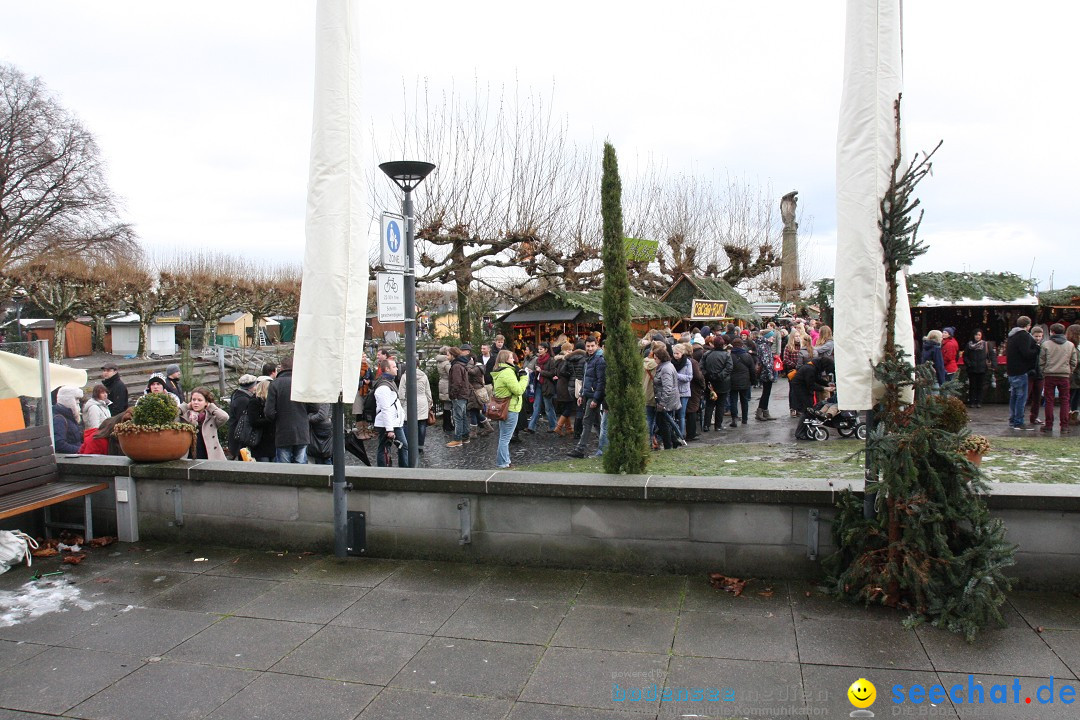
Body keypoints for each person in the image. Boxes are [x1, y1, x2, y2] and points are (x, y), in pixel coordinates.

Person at [265, 355, 318, 462]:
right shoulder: (302, 383)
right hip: (302, 432)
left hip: (283, 432)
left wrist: (279, 417)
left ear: (281, 368)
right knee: (301, 467)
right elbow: (315, 407)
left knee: (285, 469)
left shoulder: (275, 384)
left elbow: (269, 412)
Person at [568, 337, 606, 458]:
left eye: (592, 346)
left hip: (594, 395)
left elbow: (601, 381)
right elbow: (586, 378)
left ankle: (581, 449)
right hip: (589, 394)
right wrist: (581, 394)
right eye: (588, 346)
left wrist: (595, 399)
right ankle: (604, 446)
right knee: (596, 423)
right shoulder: (588, 358)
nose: (590, 348)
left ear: (597, 345)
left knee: (587, 421)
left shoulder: (599, 360)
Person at [491, 350, 529, 469]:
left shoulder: (500, 371)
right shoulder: (507, 372)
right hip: (510, 408)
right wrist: (524, 378)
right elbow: (518, 390)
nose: (514, 360)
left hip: (504, 408)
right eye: (511, 358)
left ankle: (505, 461)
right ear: (506, 359)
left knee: (504, 436)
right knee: (505, 438)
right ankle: (503, 463)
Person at [1039, 323, 1076, 434]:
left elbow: (1041, 360)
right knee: (1065, 400)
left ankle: (1049, 425)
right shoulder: (1070, 345)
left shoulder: (1046, 344)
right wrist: (1070, 371)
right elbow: (1074, 361)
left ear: (1052, 332)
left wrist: (1044, 370)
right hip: (1064, 375)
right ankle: (1064, 426)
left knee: (1049, 400)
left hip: (1049, 375)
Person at [1005, 315, 1041, 430]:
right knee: (1021, 397)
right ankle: (1018, 422)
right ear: (1028, 325)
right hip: (1021, 370)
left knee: (1014, 396)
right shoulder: (1023, 336)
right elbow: (1026, 353)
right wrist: (1036, 348)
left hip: (1011, 370)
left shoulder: (1012, 335)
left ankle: (1012, 420)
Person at [373, 357, 408, 467]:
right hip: (389, 424)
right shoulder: (383, 386)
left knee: (386, 447)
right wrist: (389, 429)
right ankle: (401, 470)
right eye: (394, 367)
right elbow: (385, 409)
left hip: (393, 422)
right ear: (387, 369)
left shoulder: (389, 383)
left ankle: (396, 469)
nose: (397, 368)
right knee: (387, 448)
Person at [180, 386, 229, 460]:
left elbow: (224, 417)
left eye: (199, 400)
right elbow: (171, 416)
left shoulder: (211, 417)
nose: (196, 402)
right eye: (193, 400)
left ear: (206, 402)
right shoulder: (185, 416)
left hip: (210, 456)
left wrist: (211, 407)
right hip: (189, 456)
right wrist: (185, 407)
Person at [397, 355, 433, 453]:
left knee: (407, 424)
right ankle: (420, 446)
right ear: (418, 365)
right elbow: (428, 391)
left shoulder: (405, 376)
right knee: (421, 424)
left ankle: (409, 445)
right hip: (422, 401)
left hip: (409, 402)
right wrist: (430, 403)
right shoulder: (424, 376)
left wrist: (401, 404)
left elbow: (401, 393)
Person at [652, 346, 684, 449]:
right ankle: (674, 441)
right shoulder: (666, 366)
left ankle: (669, 444)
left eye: (655, 357)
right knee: (663, 422)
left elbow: (668, 387)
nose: (654, 359)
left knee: (664, 424)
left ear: (660, 358)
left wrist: (662, 403)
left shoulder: (665, 369)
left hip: (666, 401)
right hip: (667, 399)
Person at [702, 335, 733, 429]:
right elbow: (729, 368)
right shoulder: (726, 355)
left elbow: (701, 367)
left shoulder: (707, 354)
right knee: (720, 404)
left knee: (709, 404)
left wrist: (709, 375)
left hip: (710, 382)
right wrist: (720, 376)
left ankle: (706, 425)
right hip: (722, 383)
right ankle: (718, 425)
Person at [528, 342, 558, 433]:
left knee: (548, 407)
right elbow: (537, 372)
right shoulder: (538, 360)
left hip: (547, 386)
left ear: (546, 349)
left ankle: (553, 426)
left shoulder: (551, 360)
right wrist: (533, 371)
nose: (539, 351)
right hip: (538, 385)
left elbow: (553, 373)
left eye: (541, 349)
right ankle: (531, 427)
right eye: (539, 349)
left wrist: (541, 371)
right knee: (536, 406)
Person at [227, 374, 258, 459]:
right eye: (255, 385)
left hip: (238, 437)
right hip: (241, 439)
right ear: (250, 387)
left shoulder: (238, 396)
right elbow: (244, 421)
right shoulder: (243, 400)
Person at [446, 345, 472, 447]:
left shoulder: (456, 366)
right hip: (463, 394)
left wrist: (453, 394)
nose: (446, 357)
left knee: (458, 417)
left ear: (453, 355)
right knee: (463, 416)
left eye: (448, 355)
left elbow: (457, 383)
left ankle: (458, 439)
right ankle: (465, 436)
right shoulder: (461, 364)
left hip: (459, 395)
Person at [728, 337, 757, 426]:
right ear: (742, 345)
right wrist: (753, 381)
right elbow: (752, 370)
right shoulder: (747, 355)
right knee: (744, 400)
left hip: (732, 381)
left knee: (733, 400)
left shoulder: (729, 356)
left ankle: (734, 419)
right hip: (745, 381)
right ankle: (744, 419)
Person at [248, 378, 277, 462]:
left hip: (271, 441)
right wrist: (270, 419)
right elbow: (254, 421)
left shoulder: (270, 402)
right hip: (260, 441)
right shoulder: (255, 402)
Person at [963, 330, 992, 408]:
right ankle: (972, 401)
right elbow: (965, 356)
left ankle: (979, 401)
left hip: (982, 368)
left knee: (980, 386)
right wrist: (969, 364)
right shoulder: (969, 345)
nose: (977, 336)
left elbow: (991, 355)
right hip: (972, 368)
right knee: (972, 386)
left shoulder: (985, 344)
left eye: (979, 335)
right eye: (976, 335)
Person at [754, 330, 778, 420]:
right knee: (766, 393)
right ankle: (760, 412)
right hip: (766, 373)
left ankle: (764, 411)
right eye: (772, 336)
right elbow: (766, 361)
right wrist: (770, 373)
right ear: (767, 337)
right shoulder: (764, 346)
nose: (773, 338)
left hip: (765, 372)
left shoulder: (764, 345)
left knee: (766, 393)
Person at [52, 385, 83, 453]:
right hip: (69, 459)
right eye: (76, 399)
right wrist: (81, 450)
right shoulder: (59, 419)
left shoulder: (68, 415)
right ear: (69, 400)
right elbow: (59, 444)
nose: (78, 402)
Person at [671, 343, 693, 437]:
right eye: (674, 353)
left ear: (682, 353)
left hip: (684, 391)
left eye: (677, 353)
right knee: (673, 414)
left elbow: (689, 377)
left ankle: (681, 434)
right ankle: (674, 433)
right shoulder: (671, 362)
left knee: (681, 414)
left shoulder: (687, 362)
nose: (675, 355)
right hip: (674, 391)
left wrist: (677, 375)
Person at [1027, 326, 1046, 425]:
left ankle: (1034, 417)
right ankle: (1019, 417)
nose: (1038, 338)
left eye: (1039, 336)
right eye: (1036, 336)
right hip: (1030, 373)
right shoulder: (1028, 344)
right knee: (1026, 395)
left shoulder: (1044, 345)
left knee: (1037, 397)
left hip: (1040, 374)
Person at [437, 346, 454, 432]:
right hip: (447, 384)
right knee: (448, 406)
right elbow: (451, 374)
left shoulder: (440, 362)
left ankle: (446, 424)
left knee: (446, 405)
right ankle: (448, 425)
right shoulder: (446, 363)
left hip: (442, 383)